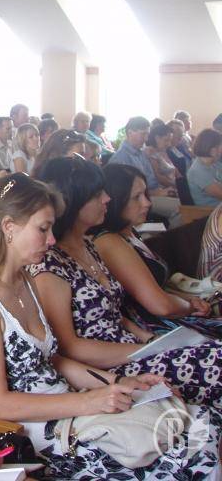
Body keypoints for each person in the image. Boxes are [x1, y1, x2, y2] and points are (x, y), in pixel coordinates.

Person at [0, 172, 221, 479]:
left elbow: (52, 360)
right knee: (189, 454)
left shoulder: (24, 280)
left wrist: (118, 382)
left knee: (201, 423)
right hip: (34, 433)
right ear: (8, 227)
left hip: (67, 406)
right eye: (43, 228)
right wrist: (89, 401)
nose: (52, 240)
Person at [31, 156, 222, 410]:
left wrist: (149, 339)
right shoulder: (51, 264)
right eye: (97, 194)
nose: (107, 198)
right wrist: (142, 350)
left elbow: (115, 314)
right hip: (110, 367)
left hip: (133, 349)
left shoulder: (88, 245)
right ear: (74, 202)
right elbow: (69, 347)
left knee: (211, 348)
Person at [95, 164, 222, 337]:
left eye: (145, 194)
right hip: (153, 328)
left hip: (171, 316)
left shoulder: (129, 233)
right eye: (136, 197)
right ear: (116, 201)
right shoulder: (110, 241)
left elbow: (160, 292)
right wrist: (191, 306)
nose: (147, 203)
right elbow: (161, 306)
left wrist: (191, 300)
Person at [109, 116, 181, 226]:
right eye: (143, 134)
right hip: (141, 198)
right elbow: (126, 192)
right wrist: (156, 193)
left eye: (147, 134)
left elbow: (151, 179)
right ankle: (168, 235)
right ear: (130, 132)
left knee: (183, 201)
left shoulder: (141, 153)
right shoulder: (121, 158)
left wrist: (163, 190)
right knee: (180, 208)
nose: (146, 139)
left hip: (153, 192)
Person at [187, 128, 222, 207]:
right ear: (213, 150)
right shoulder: (198, 171)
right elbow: (220, 194)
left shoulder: (214, 164)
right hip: (210, 211)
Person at [143, 123, 177, 193]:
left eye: (170, 140)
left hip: (171, 188)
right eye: (166, 140)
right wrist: (177, 185)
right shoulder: (150, 152)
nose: (169, 144)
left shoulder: (163, 150)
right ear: (157, 138)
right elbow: (158, 177)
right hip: (161, 191)